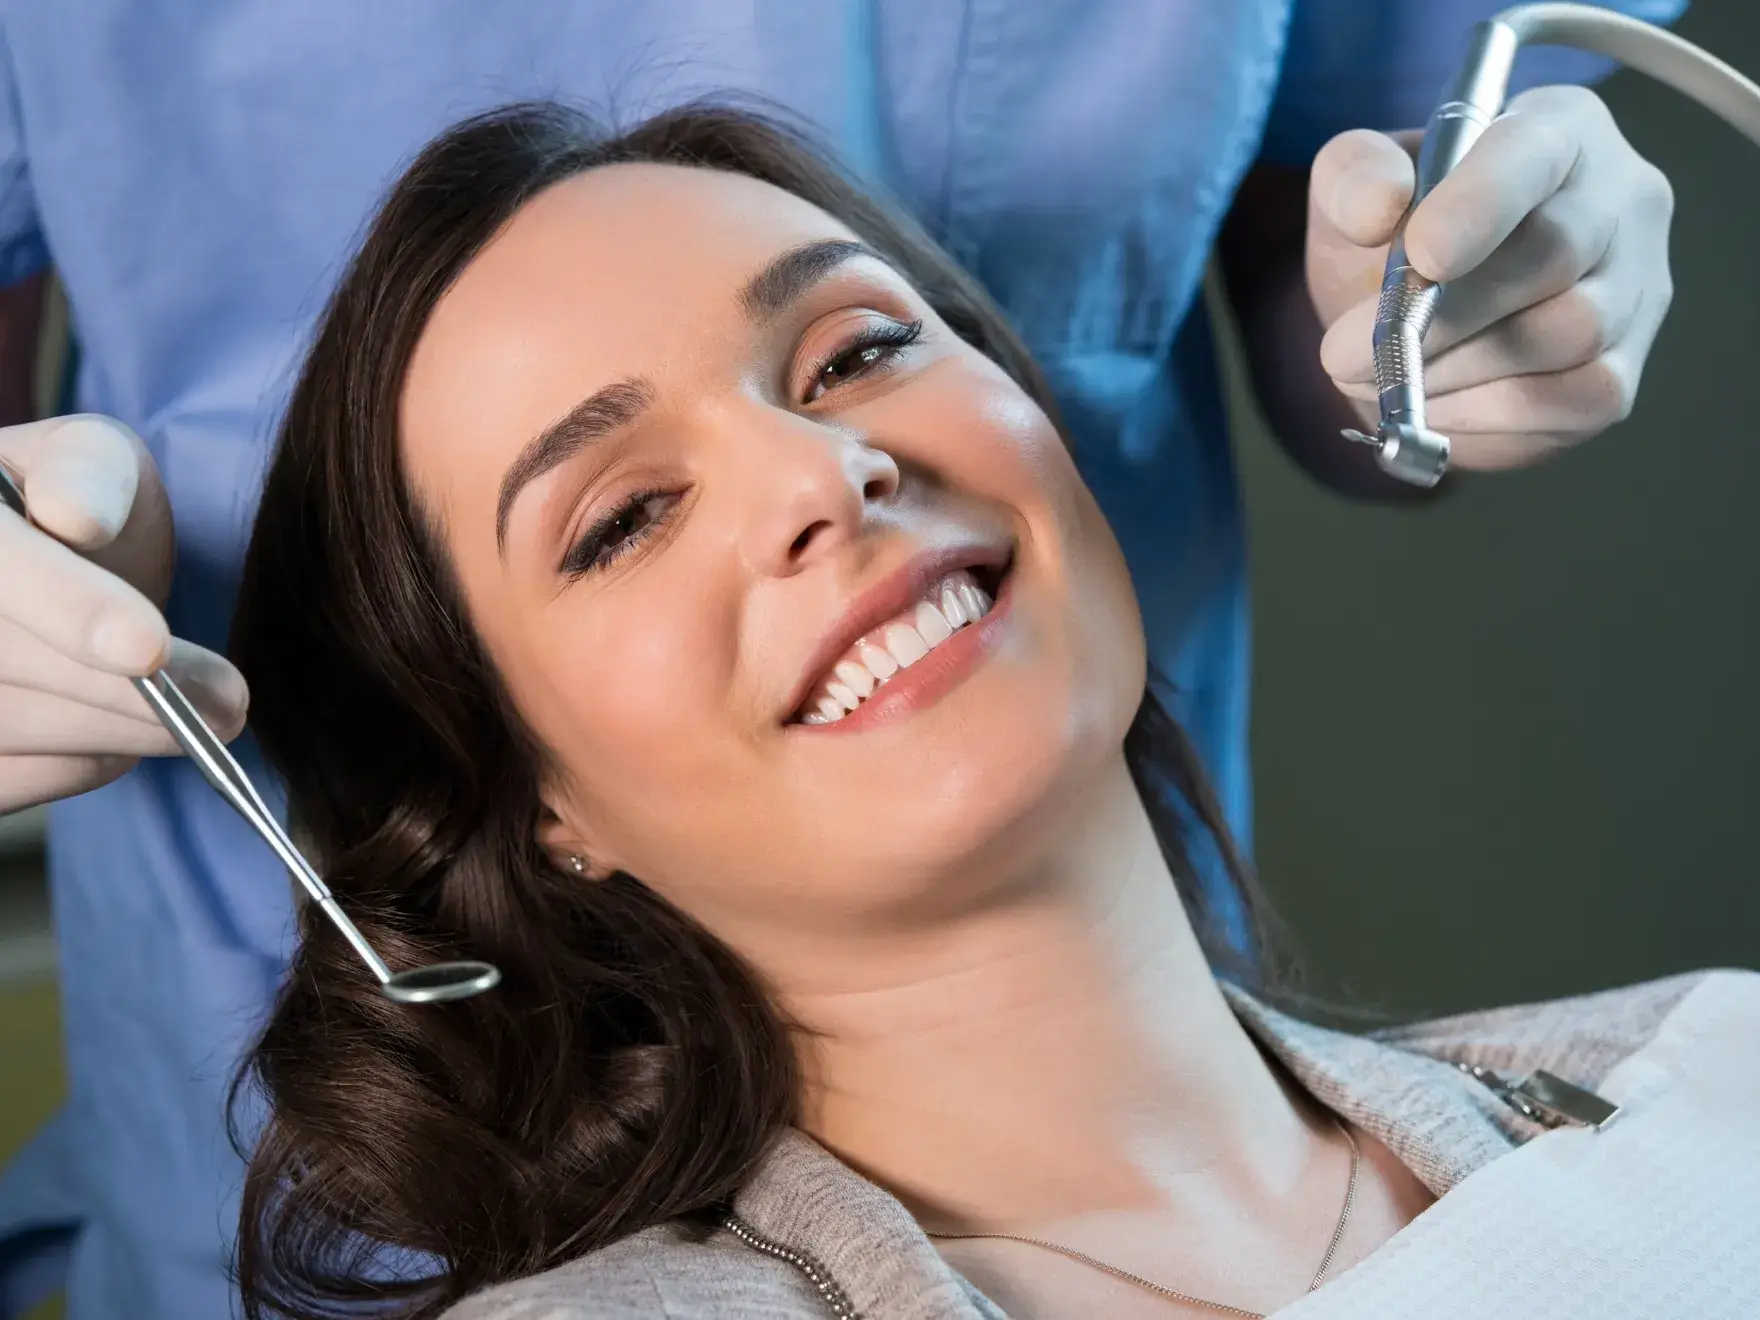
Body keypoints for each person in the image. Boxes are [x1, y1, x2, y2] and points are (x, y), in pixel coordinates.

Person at [0, 4, 1685, 1317]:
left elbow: (1339, 262)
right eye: (621, 519)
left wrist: (1440, 297)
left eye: (862, 352)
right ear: (540, 804)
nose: (825, 475)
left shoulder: (1702, 1082)